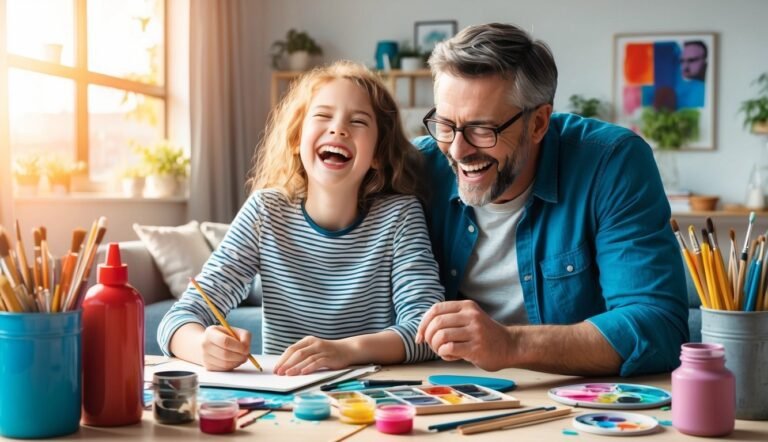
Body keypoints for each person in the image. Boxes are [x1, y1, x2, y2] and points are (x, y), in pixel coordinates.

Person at [413, 23, 689, 377]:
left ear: (539, 123)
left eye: (483, 129)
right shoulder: (418, 169)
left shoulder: (612, 163)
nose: (457, 149)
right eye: (446, 124)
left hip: (575, 401)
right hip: (443, 390)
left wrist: (511, 345)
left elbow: (657, 326)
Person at [158, 61, 444, 375]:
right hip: (284, 402)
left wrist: (345, 351)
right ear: (296, 139)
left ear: (377, 153)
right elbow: (179, 318)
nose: (338, 128)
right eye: (322, 115)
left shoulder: (400, 217)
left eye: (358, 121)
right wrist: (203, 347)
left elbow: (426, 332)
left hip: (370, 401)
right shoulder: (265, 212)